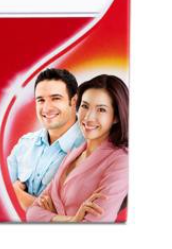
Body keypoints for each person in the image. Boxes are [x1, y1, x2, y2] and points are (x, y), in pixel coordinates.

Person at [27, 74, 129, 223]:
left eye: (101, 110)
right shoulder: (74, 153)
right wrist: (72, 220)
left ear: (116, 117)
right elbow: (32, 213)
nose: (88, 117)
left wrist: (52, 218)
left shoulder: (121, 162)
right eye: (85, 106)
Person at [7, 68, 84, 211]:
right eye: (41, 100)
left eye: (56, 98)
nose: (47, 108)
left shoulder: (89, 148)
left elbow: (68, 215)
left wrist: (16, 192)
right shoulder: (25, 144)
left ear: (74, 101)